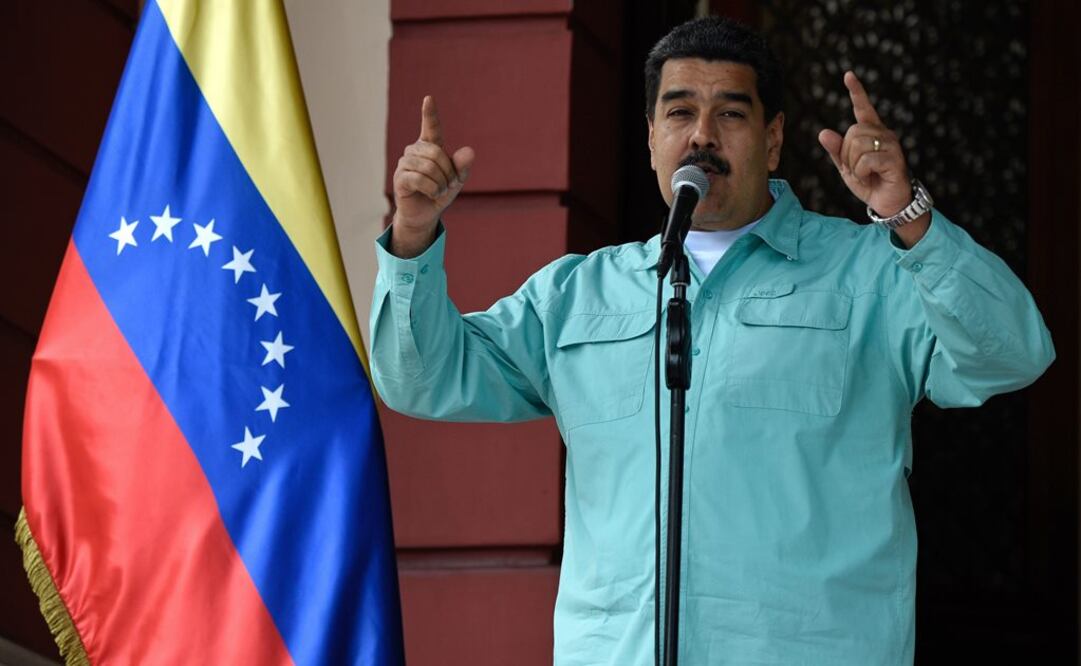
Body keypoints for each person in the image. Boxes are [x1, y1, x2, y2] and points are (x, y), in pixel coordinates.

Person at [369, 16, 1054, 666]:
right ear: (648, 137)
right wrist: (413, 235)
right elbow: (423, 378)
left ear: (773, 136)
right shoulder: (579, 293)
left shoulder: (868, 271)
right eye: (677, 112)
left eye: (729, 113)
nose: (701, 135)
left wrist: (906, 217)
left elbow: (1010, 354)